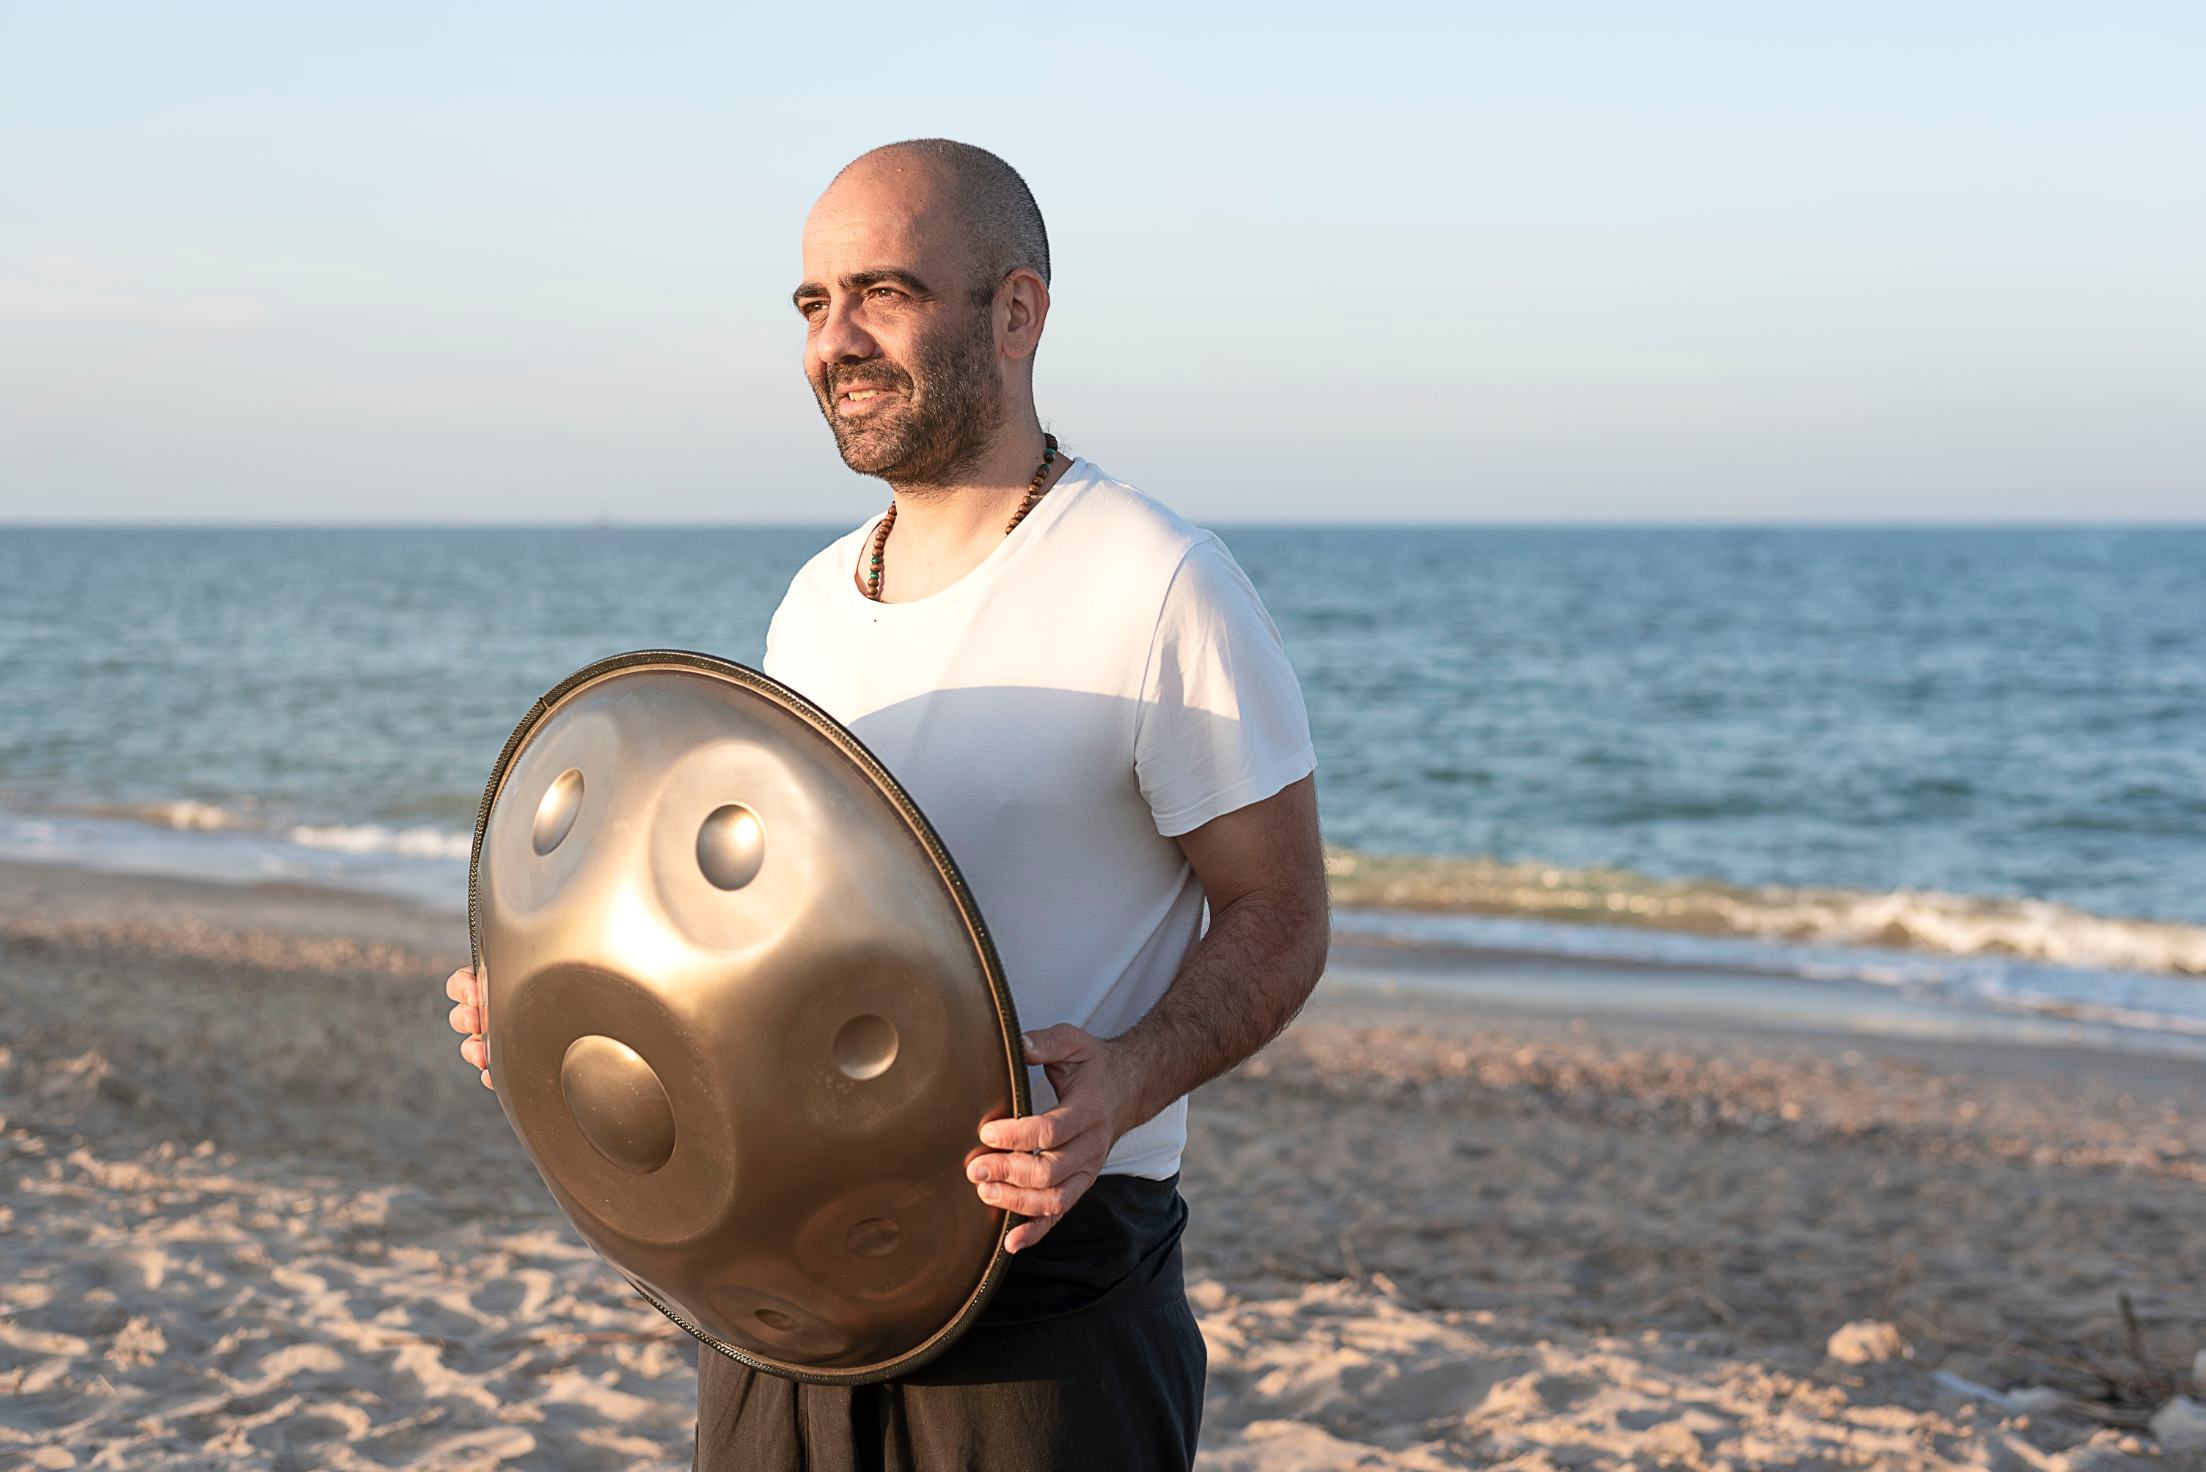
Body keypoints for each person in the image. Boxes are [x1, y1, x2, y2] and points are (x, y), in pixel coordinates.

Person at [443, 138, 1330, 1471]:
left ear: (1016, 311)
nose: (835, 341)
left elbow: (1280, 910)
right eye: (811, 303)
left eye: (884, 293)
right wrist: (558, 994)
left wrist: (1130, 1075)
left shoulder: (1155, 579)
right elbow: (762, 946)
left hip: (1048, 1273)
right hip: (790, 1271)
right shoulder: (811, 602)